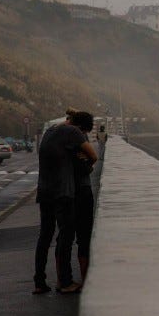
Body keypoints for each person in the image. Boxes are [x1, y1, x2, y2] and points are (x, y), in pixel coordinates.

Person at [33, 111, 97, 294]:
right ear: (81, 128)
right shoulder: (73, 132)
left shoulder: (50, 131)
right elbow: (93, 156)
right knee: (66, 236)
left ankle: (39, 282)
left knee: (45, 236)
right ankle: (65, 282)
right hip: (62, 192)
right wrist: (89, 164)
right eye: (84, 133)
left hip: (44, 190)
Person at [69, 111, 97, 285]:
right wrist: (88, 165)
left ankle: (65, 280)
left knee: (65, 237)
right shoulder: (77, 138)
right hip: (81, 192)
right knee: (84, 237)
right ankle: (85, 278)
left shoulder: (61, 138)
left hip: (66, 192)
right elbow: (93, 157)